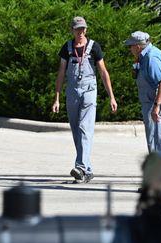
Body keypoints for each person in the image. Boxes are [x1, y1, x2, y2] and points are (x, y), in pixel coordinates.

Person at [52, 16, 117, 183]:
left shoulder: (94, 47)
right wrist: (57, 98)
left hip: (89, 91)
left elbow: (103, 72)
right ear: (72, 30)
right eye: (77, 29)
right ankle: (87, 171)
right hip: (72, 91)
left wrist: (111, 96)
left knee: (84, 128)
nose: (80, 32)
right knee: (76, 130)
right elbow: (61, 73)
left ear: (86, 30)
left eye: (82, 29)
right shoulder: (66, 48)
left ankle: (80, 166)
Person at [124, 31, 161, 153]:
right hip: (150, 104)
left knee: (157, 141)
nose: (130, 49)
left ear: (138, 46)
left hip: (154, 105)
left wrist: (156, 106)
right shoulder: (143, 57)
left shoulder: (151, 58)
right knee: (154, 141)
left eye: (130, 46)